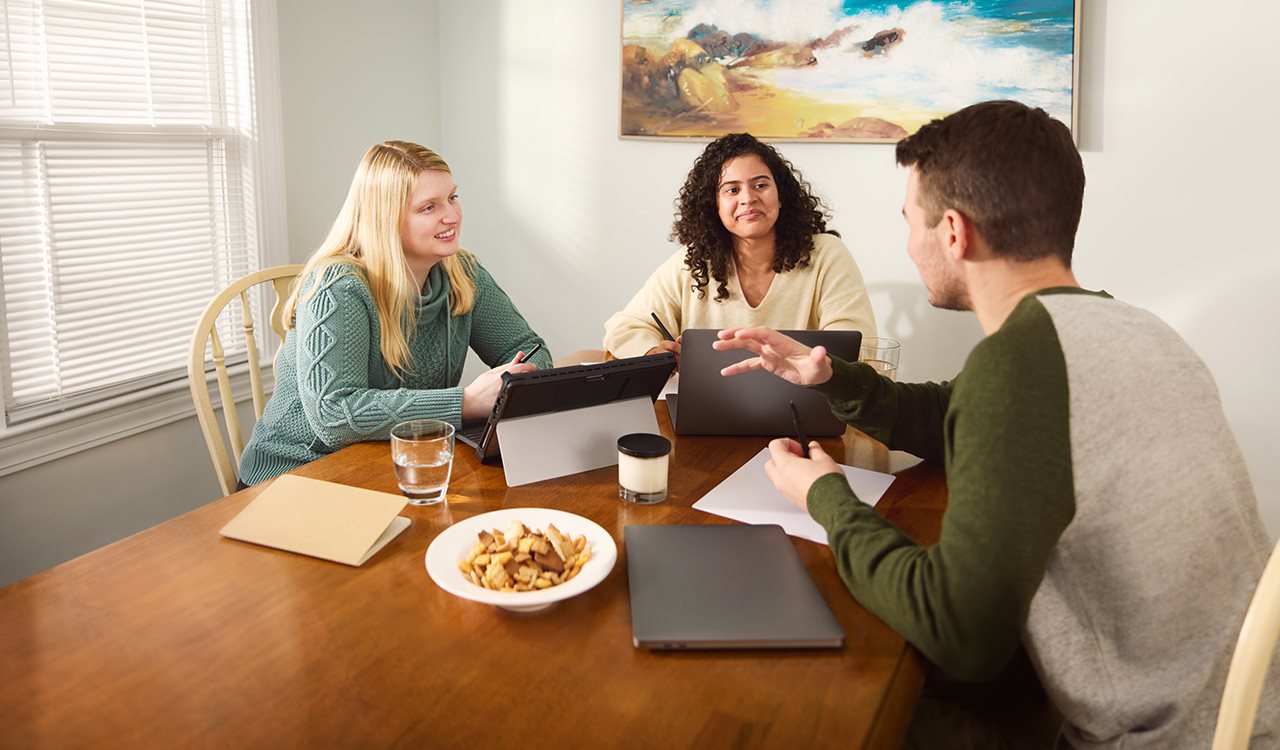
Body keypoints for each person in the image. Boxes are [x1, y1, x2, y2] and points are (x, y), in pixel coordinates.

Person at [715, 101, 1278, 747]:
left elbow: (960, 633)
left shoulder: (1019, 364)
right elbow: (953, 415)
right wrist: (830, 377)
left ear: (953, 232)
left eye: (910, 222)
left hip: (1155, 735)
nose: (908, 243)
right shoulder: (1127, 328)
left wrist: (825, 498)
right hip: (1246, 710)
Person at [238, 141, 551, 487]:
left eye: (453, 197)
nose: (452, 215)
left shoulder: (462, 272)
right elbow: (334, 416)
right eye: (429, 207)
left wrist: (517, 382)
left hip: (392, 461)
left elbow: (527, 346)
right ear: (385, 218)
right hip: (297, 476)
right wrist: (466, 402)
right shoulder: (339, 287)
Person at [602, 132, 876, 360]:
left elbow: (856, 347)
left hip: (804, 412)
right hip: (708, 411)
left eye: (760, 185)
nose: (748, 198)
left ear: (781, 197)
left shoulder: (827, 254)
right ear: (715, 206)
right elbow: (623, 327)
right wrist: (652, 351)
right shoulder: (694, 261)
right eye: (732, 190)